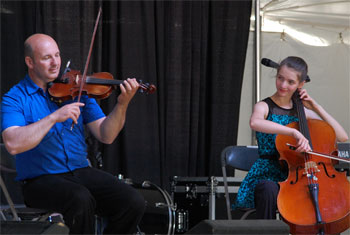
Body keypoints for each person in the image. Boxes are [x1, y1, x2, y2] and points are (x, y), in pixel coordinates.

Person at [1, 33, 145, 234]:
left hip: (80, 171)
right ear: (30, 62)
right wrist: (53, 117)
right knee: (80, 199)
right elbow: (13, 143)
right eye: (46, 58)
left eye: (57, 55)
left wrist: (122, 104)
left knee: (133, 201)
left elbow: (107, 134)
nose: (55, 63)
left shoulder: (76, 89)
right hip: (40, 180)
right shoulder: (15, 98)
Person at [232, 56, 348, 219]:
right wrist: (293, 132)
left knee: (320, 195)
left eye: (291, 82)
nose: (283, 85)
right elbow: (255, 122)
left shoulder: (303, 112)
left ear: (301, 85)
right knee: (268, 189)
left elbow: (342, 137)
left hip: (296, 175)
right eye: (280, 78)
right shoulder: (264, 106)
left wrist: (316, 107)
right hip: (267, 173)